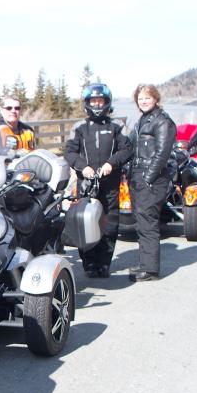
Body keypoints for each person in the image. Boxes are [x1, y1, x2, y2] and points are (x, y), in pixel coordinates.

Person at [65, 83, 132, 278]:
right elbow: (69, 151)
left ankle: (104, 263)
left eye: (100, 100)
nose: (96, 104)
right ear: (87, 103)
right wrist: (82, 167)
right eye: (93, 100)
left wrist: (111, 163)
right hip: (85, 184)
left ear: (106, 102)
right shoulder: (79, 127)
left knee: (110, 224)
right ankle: (89, 264)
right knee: (84, 222)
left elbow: (127, 149)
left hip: (109, 182)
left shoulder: (117, 126)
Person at [127, 83, 177, 282]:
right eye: (140, 99)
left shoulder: (163, 121)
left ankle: (151, 270)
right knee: (140, 221)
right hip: (137, 175)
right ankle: (144, 263)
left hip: (152, 177)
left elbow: (163, 153)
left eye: (147, 97)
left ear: (155, 98)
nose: (143, 101)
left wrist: (148, 178)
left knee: (148, 221)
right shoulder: (142, 120)